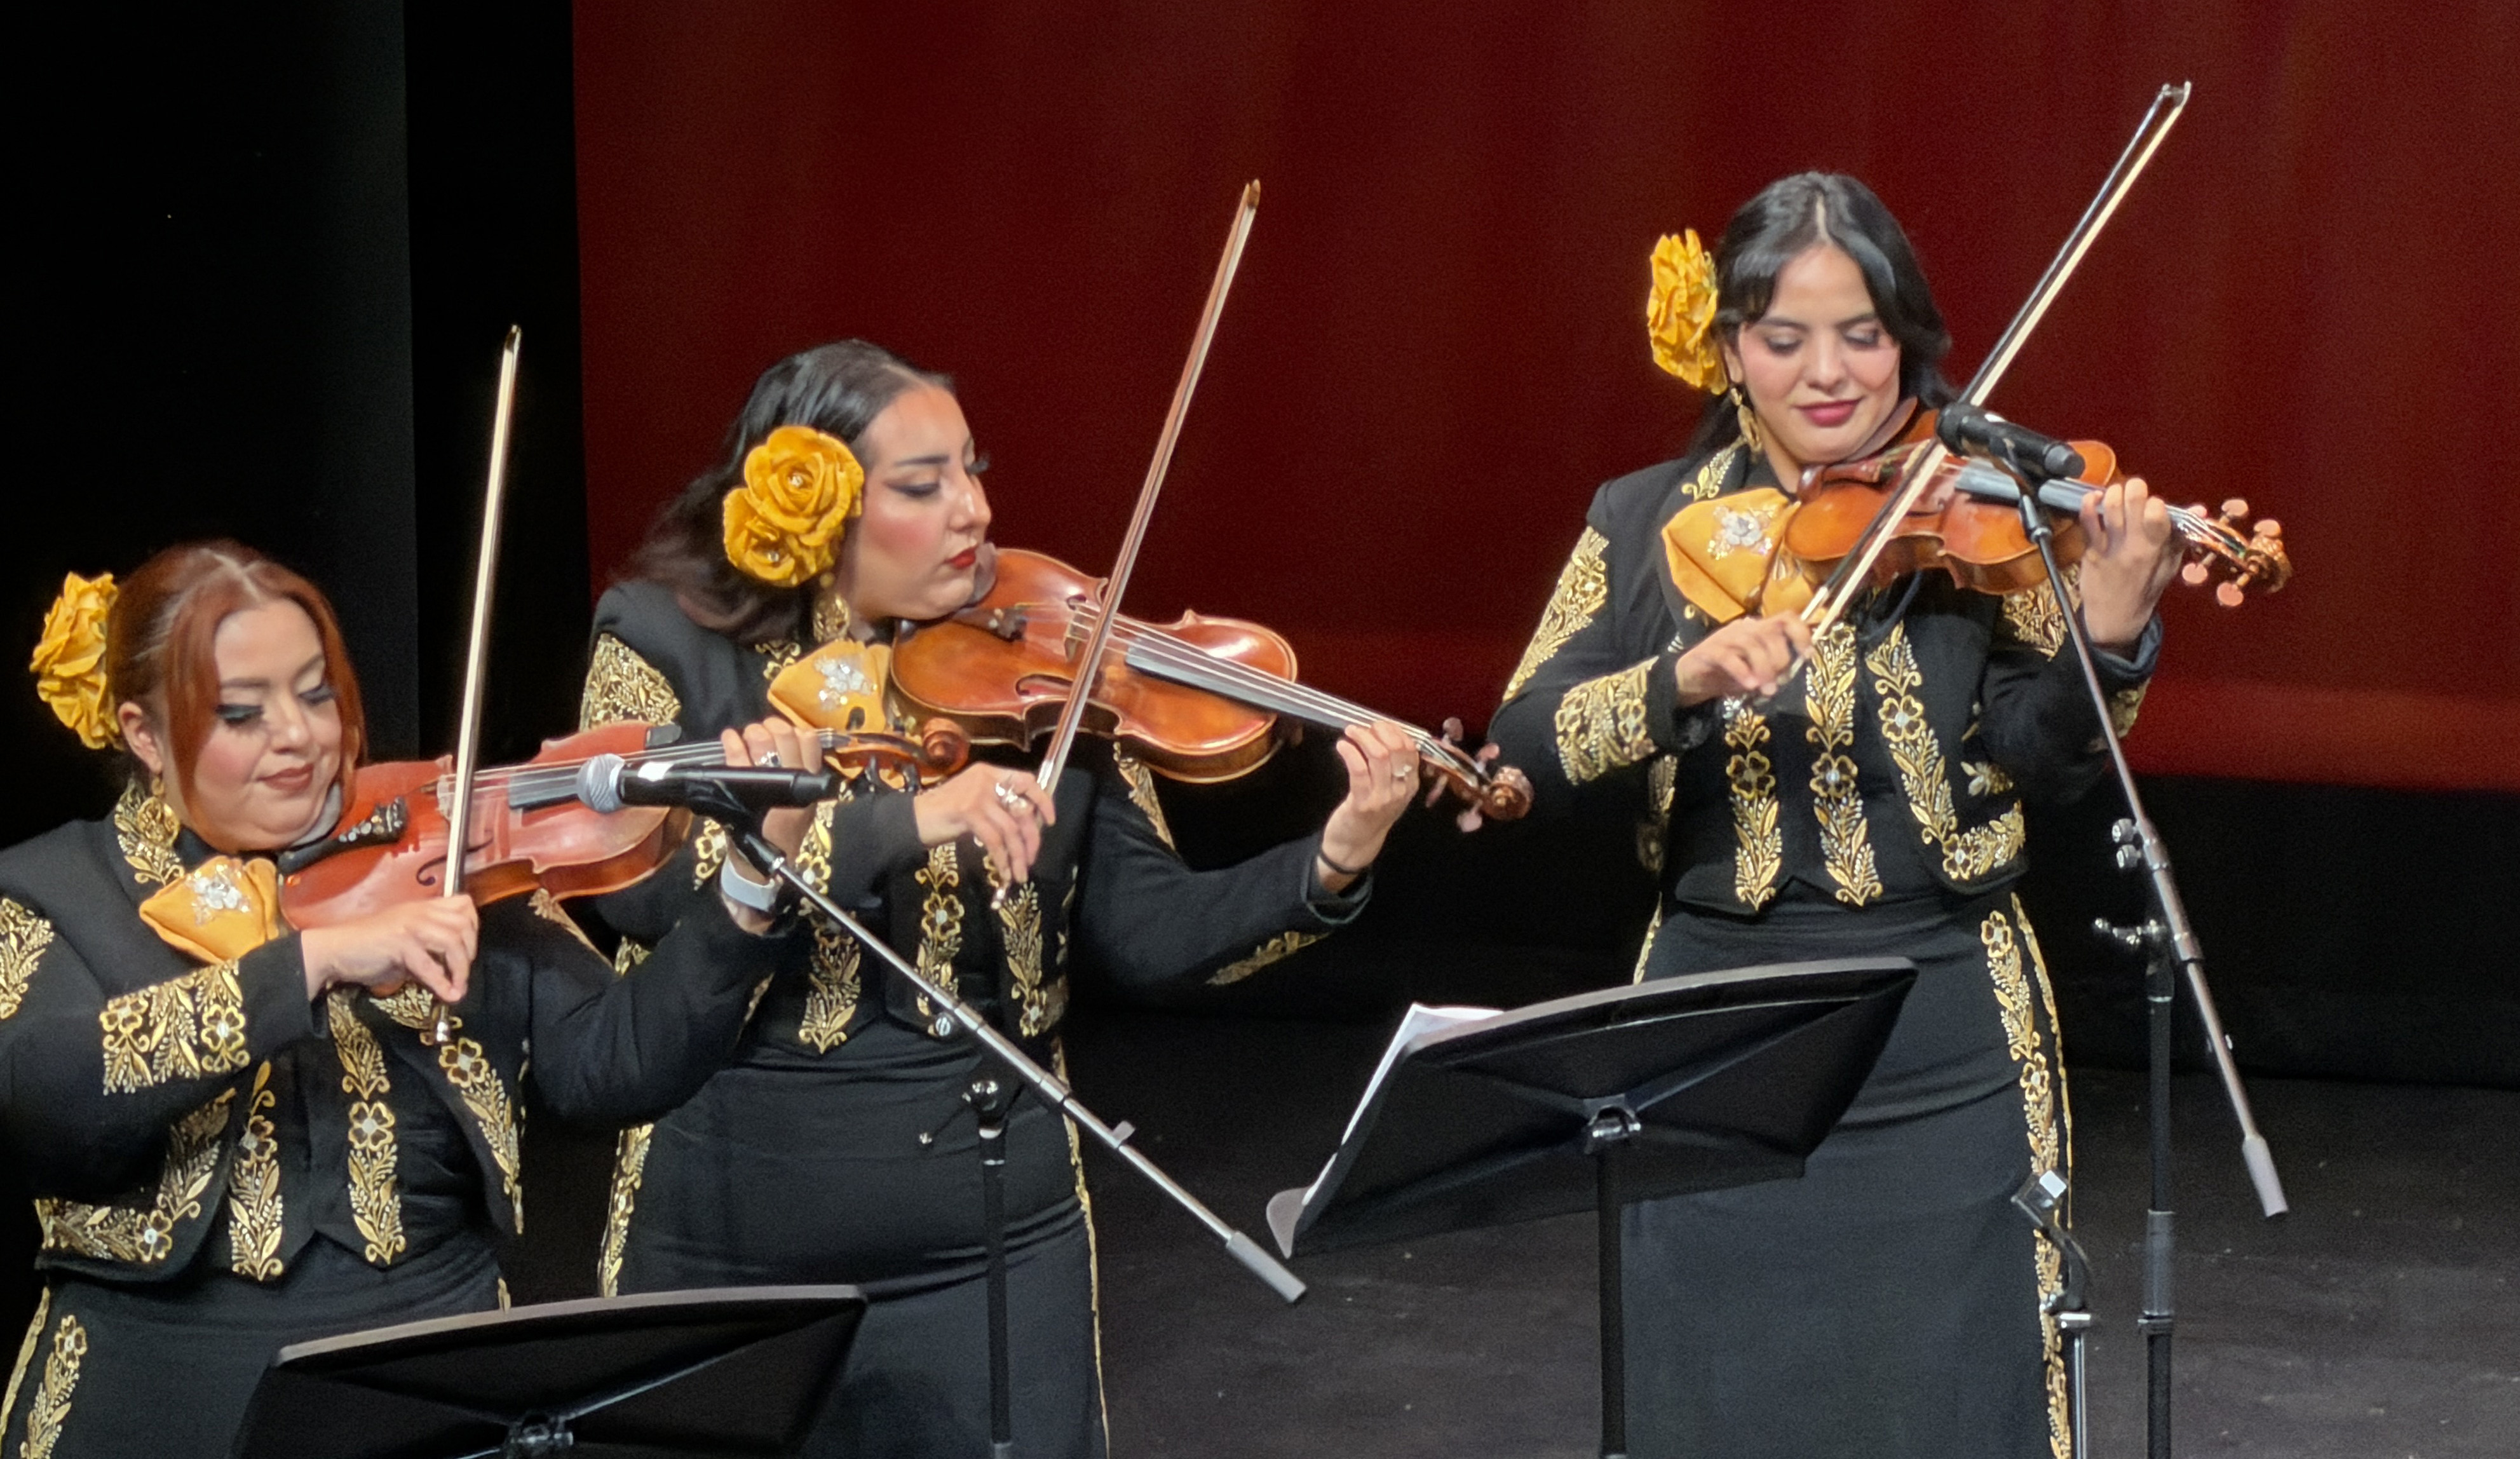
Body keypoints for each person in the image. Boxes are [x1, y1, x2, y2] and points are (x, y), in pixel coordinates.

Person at [579, 339, 1425, 1458]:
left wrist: (1332, 859)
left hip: (991, 1237)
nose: (974, 511)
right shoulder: (663, 642)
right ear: (817, 502)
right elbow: (638, 887)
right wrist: (894, 820)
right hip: (727, 1229)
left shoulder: (1040, 659)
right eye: (923, 487)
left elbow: (1151, 934)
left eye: (973, 473)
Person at [1489, 173, 2181, 1459]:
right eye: (1782, 336)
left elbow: (2044, 758)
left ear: (1906, 339)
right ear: (1727, 350)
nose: (1827, 374)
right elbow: (1523, 744)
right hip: (1713, 1030)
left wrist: (2110, 627)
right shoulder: (1645, 521)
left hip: (1943, 1028)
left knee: (1959, 1394)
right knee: (1716, 1397)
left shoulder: (1977, 504)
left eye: (1861, 334)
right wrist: (1677, 680)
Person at [0, 542, 796, 1458]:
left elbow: (616, 1062)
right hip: (157, 1399)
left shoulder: (440, 842)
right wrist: (306, 965)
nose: (298, 737)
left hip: (429, 1389)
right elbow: (40, 1099)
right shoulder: (56, 889)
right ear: (144, 735)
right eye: (240, 714)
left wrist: (746, 886)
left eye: (316, 692)